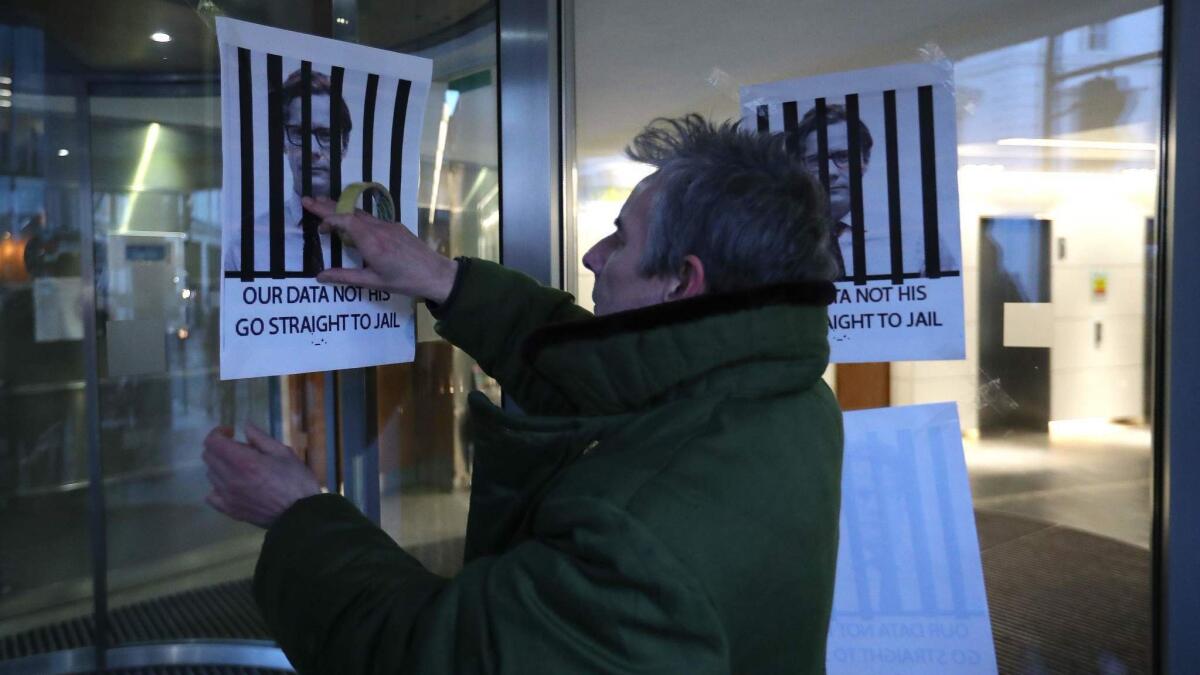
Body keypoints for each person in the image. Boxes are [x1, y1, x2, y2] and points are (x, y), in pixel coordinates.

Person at [203, 115, 844, 673]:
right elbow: (611, 371)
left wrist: (299, 516)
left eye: (619, 238)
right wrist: (443, 279)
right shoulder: (788, 396)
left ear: (682, 281)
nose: (593, 256)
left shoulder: (642, 533)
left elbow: (436, 656)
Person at [224, 69, 352, 275]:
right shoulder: (248, 245)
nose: (312, 150)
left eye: (326, 134)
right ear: (282, 141)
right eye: (299, 133)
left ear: (344, 144)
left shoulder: (372, 241)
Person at [795, 103, 875, 278]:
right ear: (802, 167)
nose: (830, 172)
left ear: (865, 161)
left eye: (843, 156)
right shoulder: (779, 239)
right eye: (816, 160)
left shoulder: (915, 241)